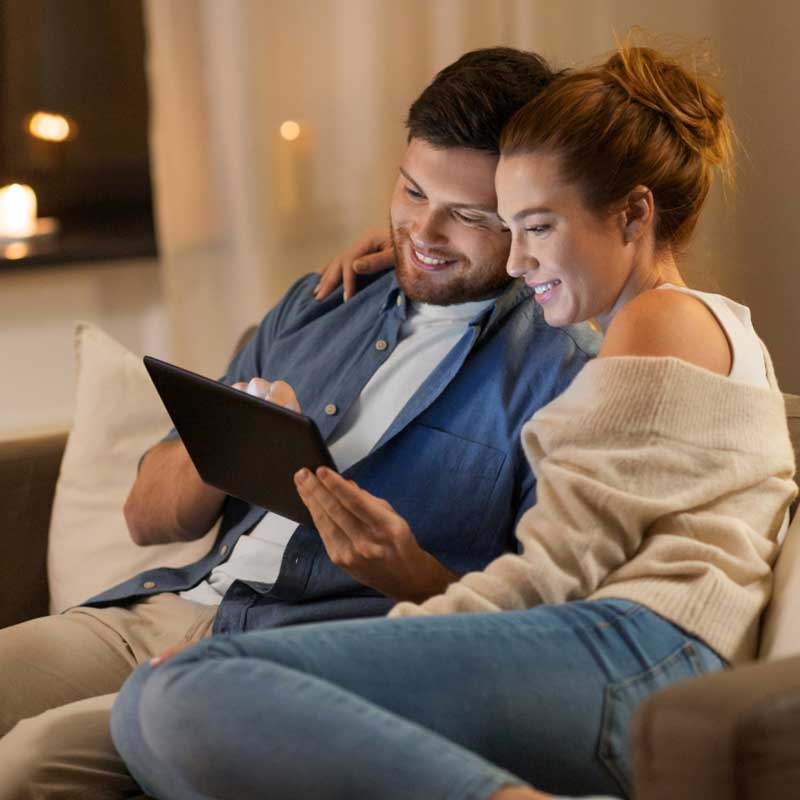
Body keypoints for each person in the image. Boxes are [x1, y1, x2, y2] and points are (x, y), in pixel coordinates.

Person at [111, 41, 797, 800]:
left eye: (534, 227)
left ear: (634, 213)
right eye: (506, 227)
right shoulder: (688, 326)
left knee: (175, 697)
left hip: (633, 656)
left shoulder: (656, 322)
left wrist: (312, 656)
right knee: (160, 713)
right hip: (611, 657)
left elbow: (551, 573)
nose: (513, 261)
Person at [0, 48, 600, 798]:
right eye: (412, 191)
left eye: (470, 217)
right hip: (165, 609)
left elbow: (540, 632)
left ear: (526, 209)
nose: (424, 231)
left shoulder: (563, 372)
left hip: (300, 660)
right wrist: (231, 436)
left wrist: (407, 572)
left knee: (26, 763)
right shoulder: (324, 301)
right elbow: (146, 517)